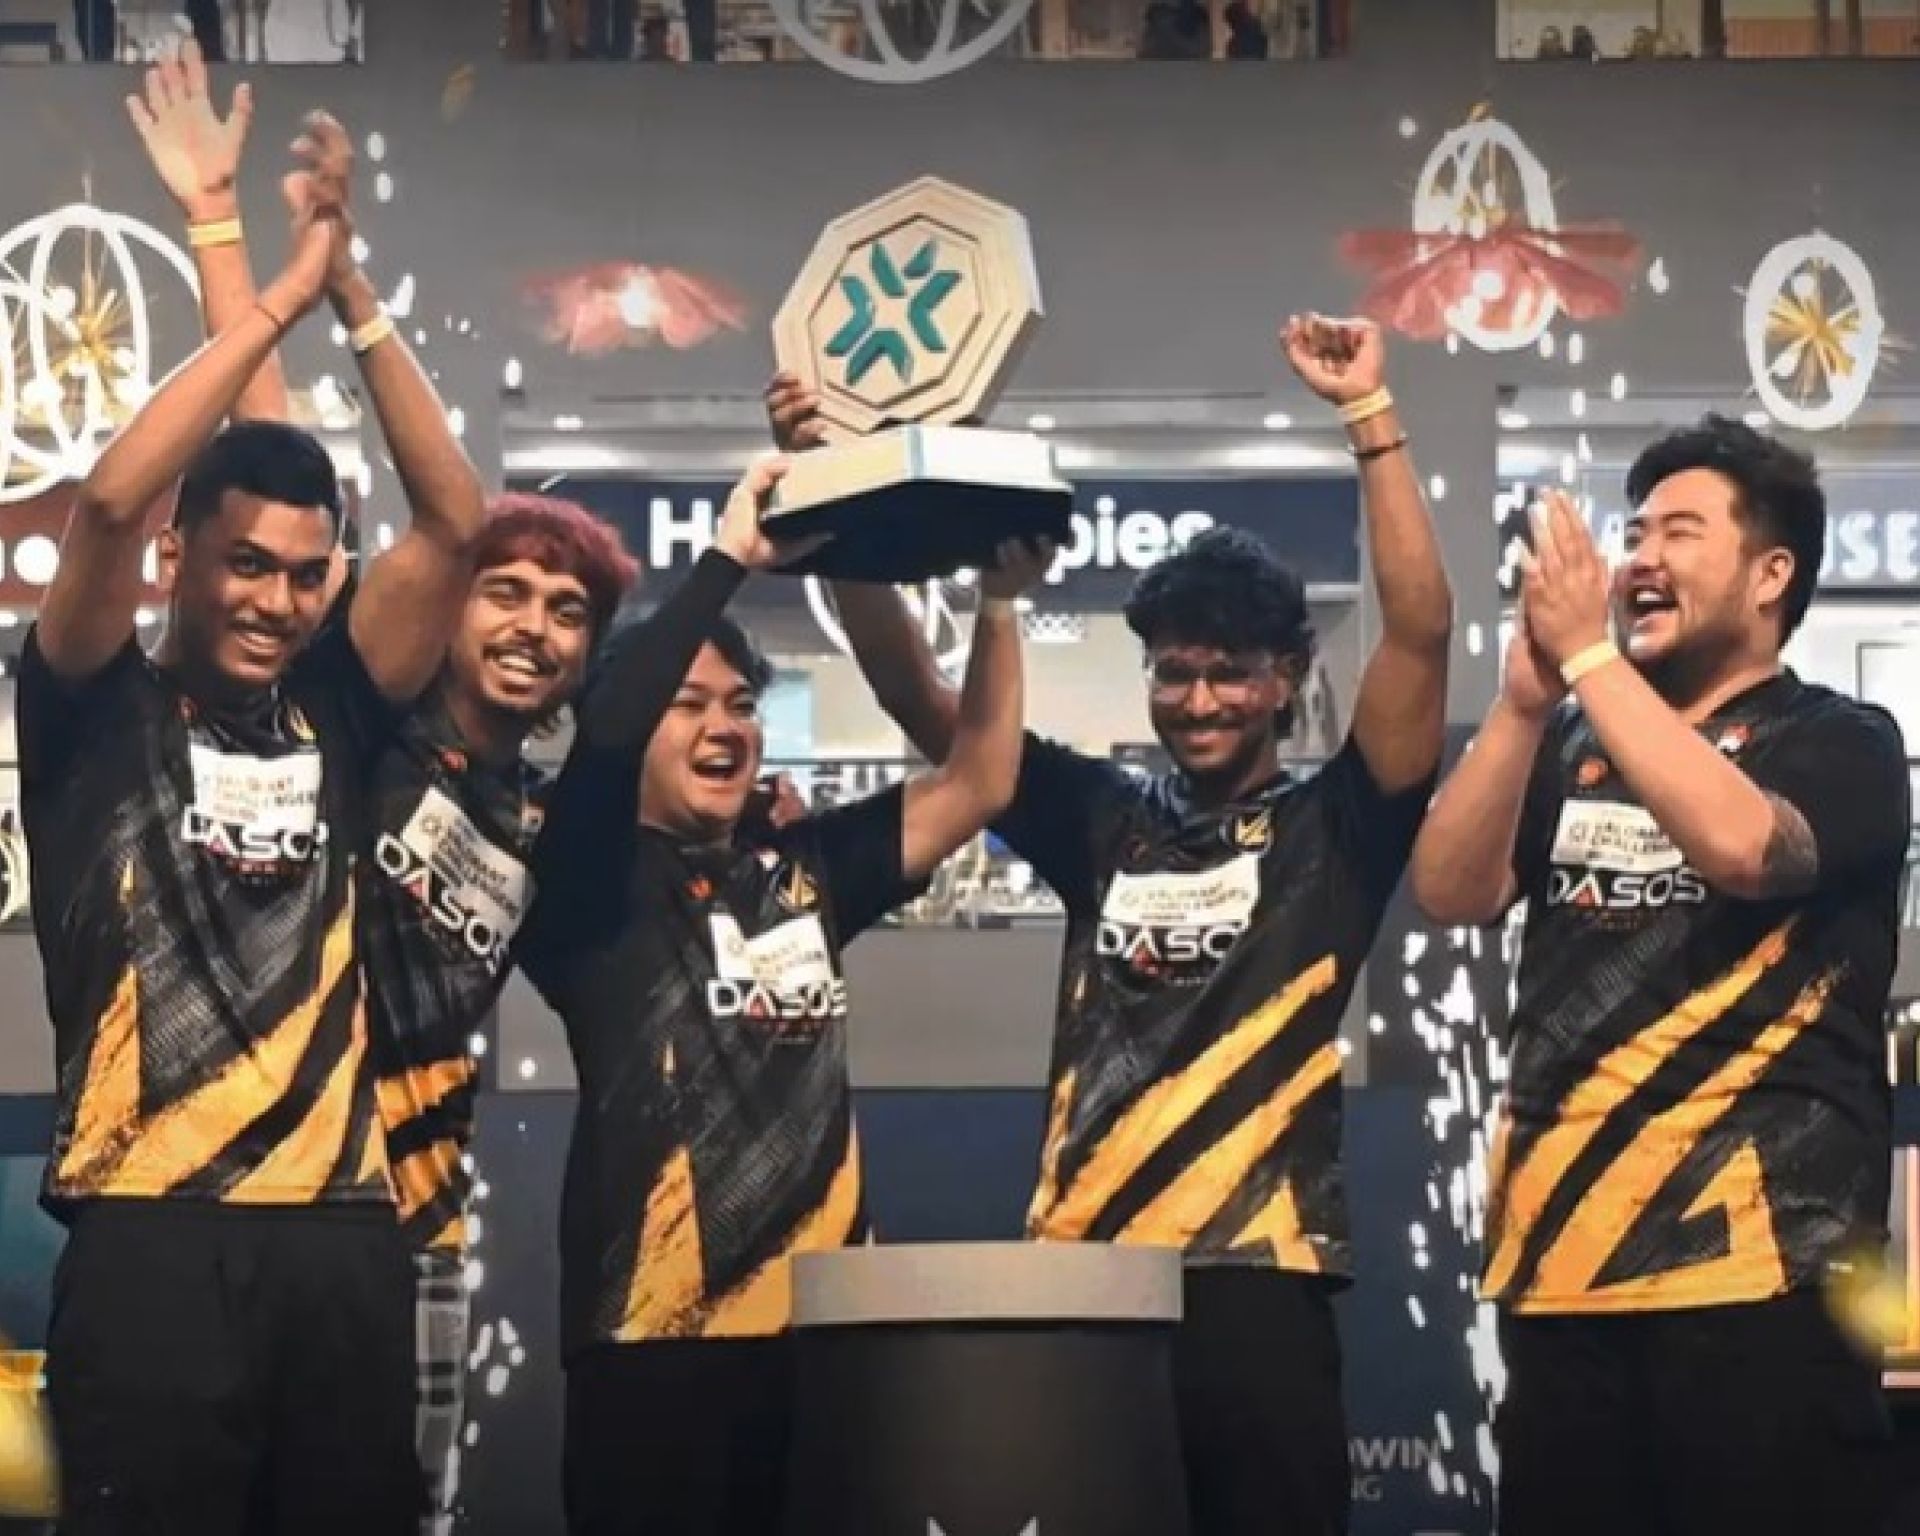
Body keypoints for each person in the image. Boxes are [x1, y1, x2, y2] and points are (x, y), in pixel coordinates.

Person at [767, 312, 1452, 1536]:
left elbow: (1420, 632)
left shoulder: (1339, 830)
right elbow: (914, 694)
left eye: (1229, 672)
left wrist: (1369, 418)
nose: (1199, 700)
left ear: (1287, 677)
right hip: (1088, 1277)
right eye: (1174, 672)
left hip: (1261, 1280)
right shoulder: (1104, 820)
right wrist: (839, 489)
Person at [126, 47, 644, 1533]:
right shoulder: (370, 714)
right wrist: (244, 238)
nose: (529, 627)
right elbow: (273, 445)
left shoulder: (548, 808)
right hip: (272, 1191)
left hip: (412, 1220)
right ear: (448, 607)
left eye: (564, 612)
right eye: (506, 593)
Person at [22, 97, 488, 1534]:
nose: (276, 601)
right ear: (181, 561)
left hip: (343, 1236)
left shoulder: (334, 705)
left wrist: (350, 293)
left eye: (304, 575)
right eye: (245, 567)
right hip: (148, 1234)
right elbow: (109, 504)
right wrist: (266, 282)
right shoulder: (93, 706)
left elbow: (456, 527)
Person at [518, 458, 1046, 1536]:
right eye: (688, 706)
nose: (724, 728)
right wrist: (730, 560)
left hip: (825, 1339)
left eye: (742, 705)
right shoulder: (586, 884)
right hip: (652, 1343)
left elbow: (981, 782)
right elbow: (605, 729)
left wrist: (998, 606)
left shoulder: (805, 870)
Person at [1409, 422, 1906, 1536]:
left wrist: (1591, 664)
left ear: (1771, 574)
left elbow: (1744, 848)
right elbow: (1448, 889)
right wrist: (1525, 705)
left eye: (1679, 532)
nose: (1639, 558)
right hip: (1561, 1274)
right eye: (1633, 533)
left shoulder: (1846, 741)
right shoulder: (1570, 739)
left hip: (1765, 1282)